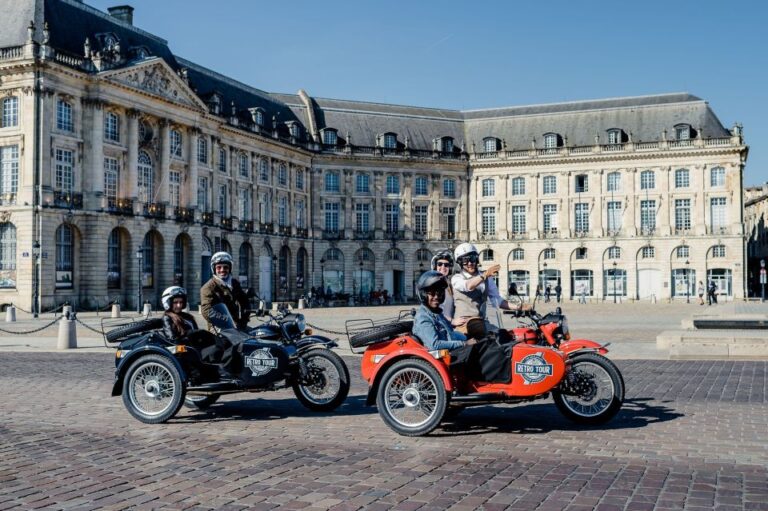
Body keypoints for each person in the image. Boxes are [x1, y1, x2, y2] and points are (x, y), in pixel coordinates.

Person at [451, 242, 527, 336]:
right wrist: (484, 275)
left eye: (472, 259)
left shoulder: (487, 278)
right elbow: (468, 286)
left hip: (481, 322)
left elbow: (497, 300)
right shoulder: (457, 278)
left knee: (504, 335)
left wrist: (518, 307)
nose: (470, 263)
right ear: (460, 263)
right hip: (463, 325)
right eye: (465, 261)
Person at [412, 271, 475, 351]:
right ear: (423, 295)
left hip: (452, 351)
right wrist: (464, 343)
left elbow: (450, 334)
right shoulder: (423, 318)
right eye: (432, 293)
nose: (436, 297)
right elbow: (435, 345)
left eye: (439, 294)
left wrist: (466, 337)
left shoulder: (436, 313)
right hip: (444, 357)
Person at [201, 251, 250, 330]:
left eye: (225, 267)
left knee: (255, 336)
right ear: (214, 269)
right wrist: (227, 321)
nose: (222, 270)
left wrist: (244, 320)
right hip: (218, 327)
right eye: (219, 267)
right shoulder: (208, 287)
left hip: (237, 325)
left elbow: (244, 302)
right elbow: (207, 311)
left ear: (230, 268)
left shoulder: (234, 283)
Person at [431, 249, 455, 322]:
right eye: (440, 264)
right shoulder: (432, 284)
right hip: (438, 325)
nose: (443, 267)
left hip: (449, 327)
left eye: (446, 265)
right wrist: (451, 320)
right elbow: (432, 312)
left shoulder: (450, 285)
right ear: (435, 266)